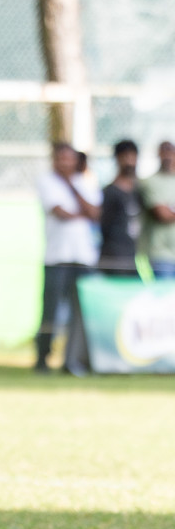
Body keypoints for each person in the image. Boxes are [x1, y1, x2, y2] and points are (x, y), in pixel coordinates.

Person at [34, 142, 101, 374]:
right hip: (57, 257)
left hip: (84, 257)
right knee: (51, 311)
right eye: (60, 158)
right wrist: (82, 210)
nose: (65, 163)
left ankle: (74, 361)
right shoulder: (46, 181)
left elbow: (95, 213)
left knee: (81, 314)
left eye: (69, 158)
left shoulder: (85, 183)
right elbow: (62, 212)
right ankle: (42, 359)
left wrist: (73, 188)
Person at [98, 139, 141, 276]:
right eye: (125, 156)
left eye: (132, 156)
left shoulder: (141, 190)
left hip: (136, 256)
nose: (129, 161)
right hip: (114, 258)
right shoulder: (109, 192)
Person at [140, 141, 175, 280]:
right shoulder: (149, 181)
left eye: (170, 151)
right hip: (161, 255)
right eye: (164, 152)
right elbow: (163, 214)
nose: (167, 156)